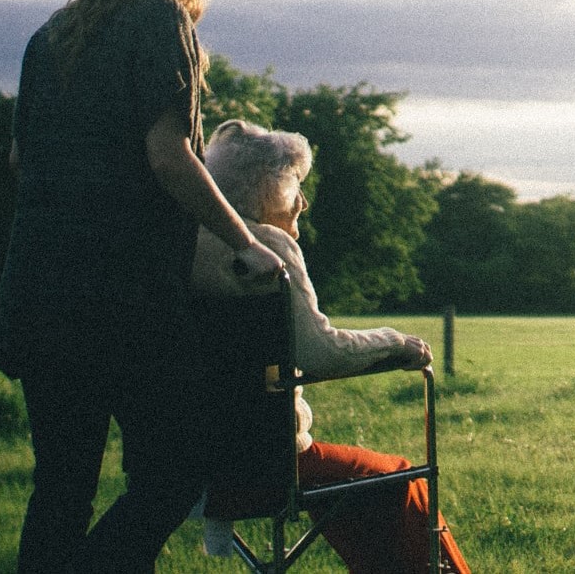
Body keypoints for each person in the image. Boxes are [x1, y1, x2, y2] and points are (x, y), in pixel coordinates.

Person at [0, 0, 285, 574]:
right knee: (178, 469)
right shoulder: (159, 20)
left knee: (61, 488)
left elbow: (18, 158)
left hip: (37, 290)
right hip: (121, 300)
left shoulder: (53, 32)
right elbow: (168, 155)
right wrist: (245, 242)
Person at [191, 120, 472, 574]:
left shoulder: (187, 243)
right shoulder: (267, 246)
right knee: (398, 480)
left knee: (364, 485)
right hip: (266, 463)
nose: (303, 201)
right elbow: (322, 352)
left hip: (189, 459)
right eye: (295, 185)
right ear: (266, 188)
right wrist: (395, 343)